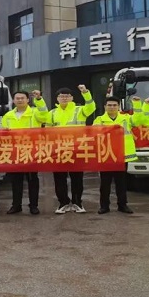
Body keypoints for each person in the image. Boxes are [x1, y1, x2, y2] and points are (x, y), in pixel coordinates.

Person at [33, 85, 96, 214]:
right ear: (57, 98)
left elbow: (91, 107)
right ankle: (63, 203)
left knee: (77, 178)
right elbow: (48, 131)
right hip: (58, 149)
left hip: (77, 149)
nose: (64, 98)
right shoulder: (52, 113)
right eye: (61, 96)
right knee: (59, 178)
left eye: (67, 96)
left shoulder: (80, 110)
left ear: (72, 98)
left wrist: (85, 93)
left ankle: (77, 203)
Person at [93, 95, 144, 215]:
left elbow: (139, 120)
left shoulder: (126, 118)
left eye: (114, 105)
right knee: (105, 183)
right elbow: (94, 135)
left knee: (121, 182)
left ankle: (123, 205)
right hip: (107, 155)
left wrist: (137, 104)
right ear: (105, 107)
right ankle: (104, 206)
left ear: (118, 106)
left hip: (122, 155)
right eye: (109, 105)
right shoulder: (99, 120)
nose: (112, 107)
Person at [1, 91, 42, 215]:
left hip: (31, 151)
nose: (20, 100)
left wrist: (39, 99)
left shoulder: (35, 112)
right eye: (17, 98)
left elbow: (45, 117)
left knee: (32, 180)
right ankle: (16, 205)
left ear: (28, 100)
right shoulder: (7, 115)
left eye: (22, 98)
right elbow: (2, 133)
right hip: (14, 152)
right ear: (13, 101)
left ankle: (33, 205)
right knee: (15, 180)